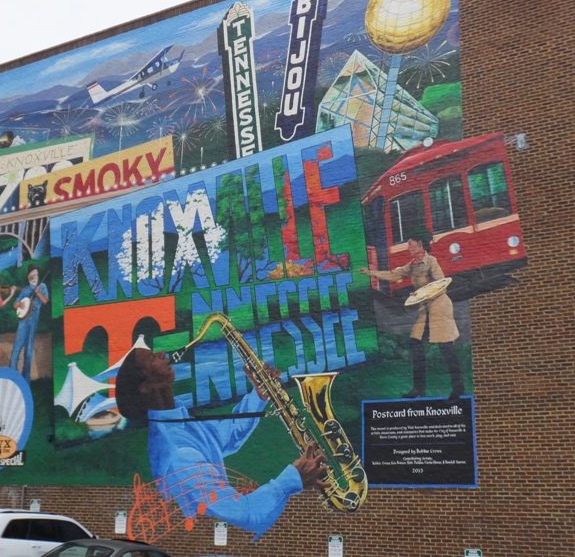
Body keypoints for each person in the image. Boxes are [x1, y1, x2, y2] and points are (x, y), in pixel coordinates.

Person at [116, 347, 327, 538]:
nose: (162, 353)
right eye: (153, 357)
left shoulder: (175, 417)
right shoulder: (177, 454)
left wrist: (259, 396)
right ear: (145, 387)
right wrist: (294, 477)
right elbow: (247, 513)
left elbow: (226, 435)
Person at [360, 228, 464, 402]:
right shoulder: (414, 264)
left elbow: (442, 285)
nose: (407, 246)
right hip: (424, 311)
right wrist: (371, 273)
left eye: (410, 243)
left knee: (446, 349)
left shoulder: (431, 261)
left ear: (420, 244)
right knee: (415, 345)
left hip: (439, 309)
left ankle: (458, 389)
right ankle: (418, 389)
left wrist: (420, 294)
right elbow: (395, 275)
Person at [10, 265, 48, 382]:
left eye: (35, 275)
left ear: (37, 275)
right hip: (23, 322)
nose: (33, 277)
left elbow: (45, 301)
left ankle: (25, 380)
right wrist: (18, 305)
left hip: (33, 321)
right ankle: (12, 377)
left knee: (29, 350)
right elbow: (15, 304)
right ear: (28, 278)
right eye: (31, 276)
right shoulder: (26, 289)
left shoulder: (42, 286)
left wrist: (38, 293)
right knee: (16, 348)